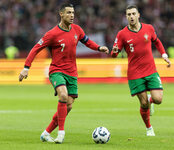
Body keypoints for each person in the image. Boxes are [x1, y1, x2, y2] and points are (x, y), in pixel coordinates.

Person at [19, 3, 109, 144]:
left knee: (69, 105)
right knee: (63, 95)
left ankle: (46, 133)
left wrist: (99, 48)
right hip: (57, 71)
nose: (72, 15)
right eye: (68, 12)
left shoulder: (77, 29)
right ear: (61, 14)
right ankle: (61, 133)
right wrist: (26, 67)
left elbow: (87, 41)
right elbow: (35, 49)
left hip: (72, 72)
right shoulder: (52, 34)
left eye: (73, 12)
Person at [111, 5, 171, 136]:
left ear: (138, 15)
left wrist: (164, 55)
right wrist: (114, 52)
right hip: (135, 74)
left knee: (158, 99)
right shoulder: (122, 34)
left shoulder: (149, 28)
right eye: (128, 15)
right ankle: (149, 128)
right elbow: (114, 53)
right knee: (143, 104)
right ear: (126, 17)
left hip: (151, 70)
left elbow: (157, 42)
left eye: (133, 14)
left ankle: (151, 100)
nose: (131, 17)